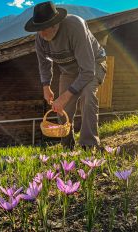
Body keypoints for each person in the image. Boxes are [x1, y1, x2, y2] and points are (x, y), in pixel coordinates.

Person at [24, 1, 107, 151]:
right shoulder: (40, 38)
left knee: (87, 95)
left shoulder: (75, 27)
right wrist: (46, 86)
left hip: (93, 64)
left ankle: (89, 145)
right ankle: (67, 146)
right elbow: (44, 64)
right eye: (38, 29)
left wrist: (64, 97)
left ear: (55, 24)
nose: (41, 34)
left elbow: (88, 71)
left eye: (43, 29)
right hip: (69, 72)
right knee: (61, 108)